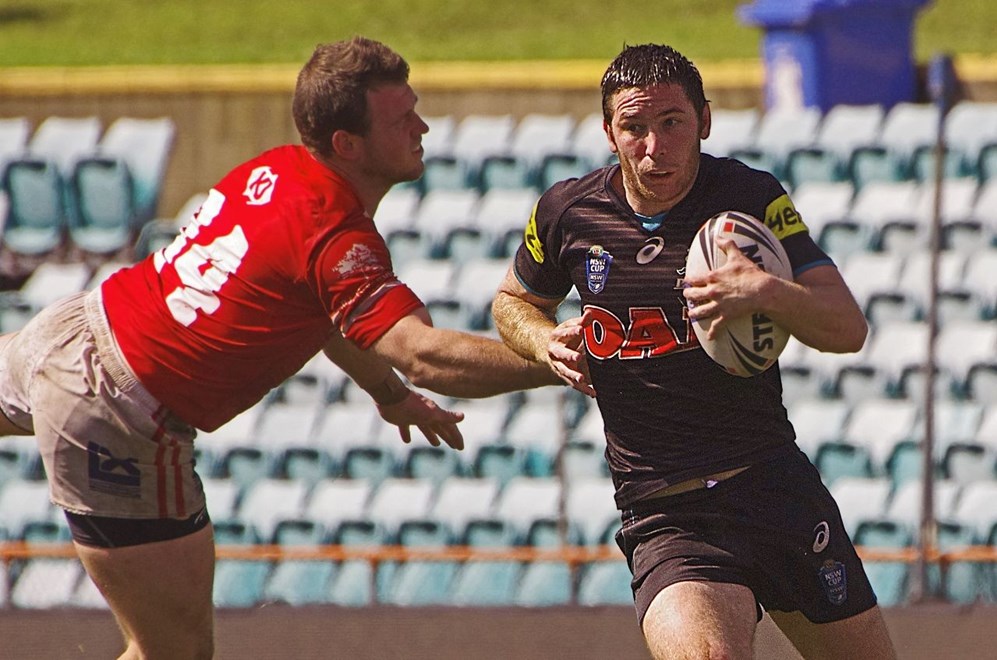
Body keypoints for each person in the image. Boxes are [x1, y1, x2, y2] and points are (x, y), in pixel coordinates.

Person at [0, 36, 561, 659]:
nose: (422, 128)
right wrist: (561, 358)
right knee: (173, 654)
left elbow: (324, 316)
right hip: (115, 409)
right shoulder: (335, 233)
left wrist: (388, 394)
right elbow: (423, 354)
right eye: (402, 120)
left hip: (72, 328)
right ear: (348, 145)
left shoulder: (278, 167)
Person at [491, 43, 897, 659]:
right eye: (634, 127)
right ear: (609, 132)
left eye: (672, 122)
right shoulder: (569, 213)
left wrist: (764, 291)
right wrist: (543, 340)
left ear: (704, 121)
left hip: (774, 488)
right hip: (667, 514)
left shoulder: (749, 199)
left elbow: (847, 328)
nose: (654, 147)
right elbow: (511, 302)